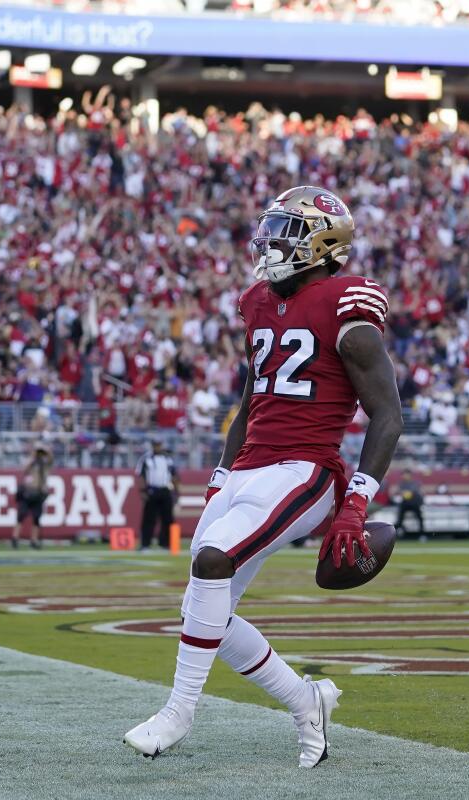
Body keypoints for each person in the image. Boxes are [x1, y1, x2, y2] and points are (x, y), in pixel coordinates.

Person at [123, 186, 403, 768]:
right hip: (251, 466)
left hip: (306, 470)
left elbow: (389, 414)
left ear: (323, 245)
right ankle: (307, 701)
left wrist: (356, 501)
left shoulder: (347, 304)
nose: (272, 241)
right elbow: (252, 398)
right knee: (206, 609)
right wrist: (223, 472)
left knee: (212, 562)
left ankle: (179, 712)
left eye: (288, 231)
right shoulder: (257, 302)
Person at [138, 440, 178, 550]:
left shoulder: (168, 459)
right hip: (152, 490)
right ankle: (145, 544)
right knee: (149, 518)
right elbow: (141, 475)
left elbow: (174, 475)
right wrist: (142, 491)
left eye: (159, 445)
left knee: (168, 518)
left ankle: (165, 543)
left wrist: (176, 492)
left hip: (165, 490)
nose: (157, 447)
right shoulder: (146, 459)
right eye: (155, 445)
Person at [13, 444, 52, 549]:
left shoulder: (45, 465)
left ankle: (34, 540)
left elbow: (51, 458)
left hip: (39, 494)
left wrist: (45, 450)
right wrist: (33, 455)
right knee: (21, 517)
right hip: (28, 492)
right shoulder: (32, 463)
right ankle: (15, 538)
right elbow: (25, 469)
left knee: (36, 518)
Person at [393, 473, 426, 539]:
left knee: (420, 518)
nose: (404, 476)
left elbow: (419, 492)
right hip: (405, 504)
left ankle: (422, 534)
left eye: (406, 474)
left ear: (410, 475)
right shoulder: (402, 483)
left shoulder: (414, 483)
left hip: (414, 503)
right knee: (399, 519)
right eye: (404, 475)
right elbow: (397, 491)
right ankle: (397, 533)